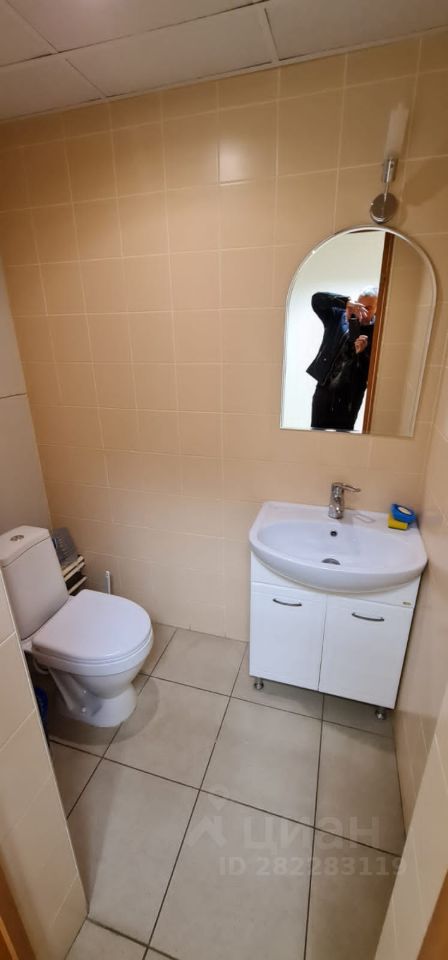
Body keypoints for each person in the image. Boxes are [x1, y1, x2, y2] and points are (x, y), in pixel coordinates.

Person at [307, 288, 378, 431]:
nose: (362, 311)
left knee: (343, 437)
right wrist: (346, 302)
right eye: (360, 305)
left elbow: (372, 372)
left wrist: (362, 353)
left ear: (377, 308)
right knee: (316, 432)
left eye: (368, 308)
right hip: (324, 389)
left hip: (350, 397)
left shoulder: (378, 332)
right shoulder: (338, 317)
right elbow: (317, 300)